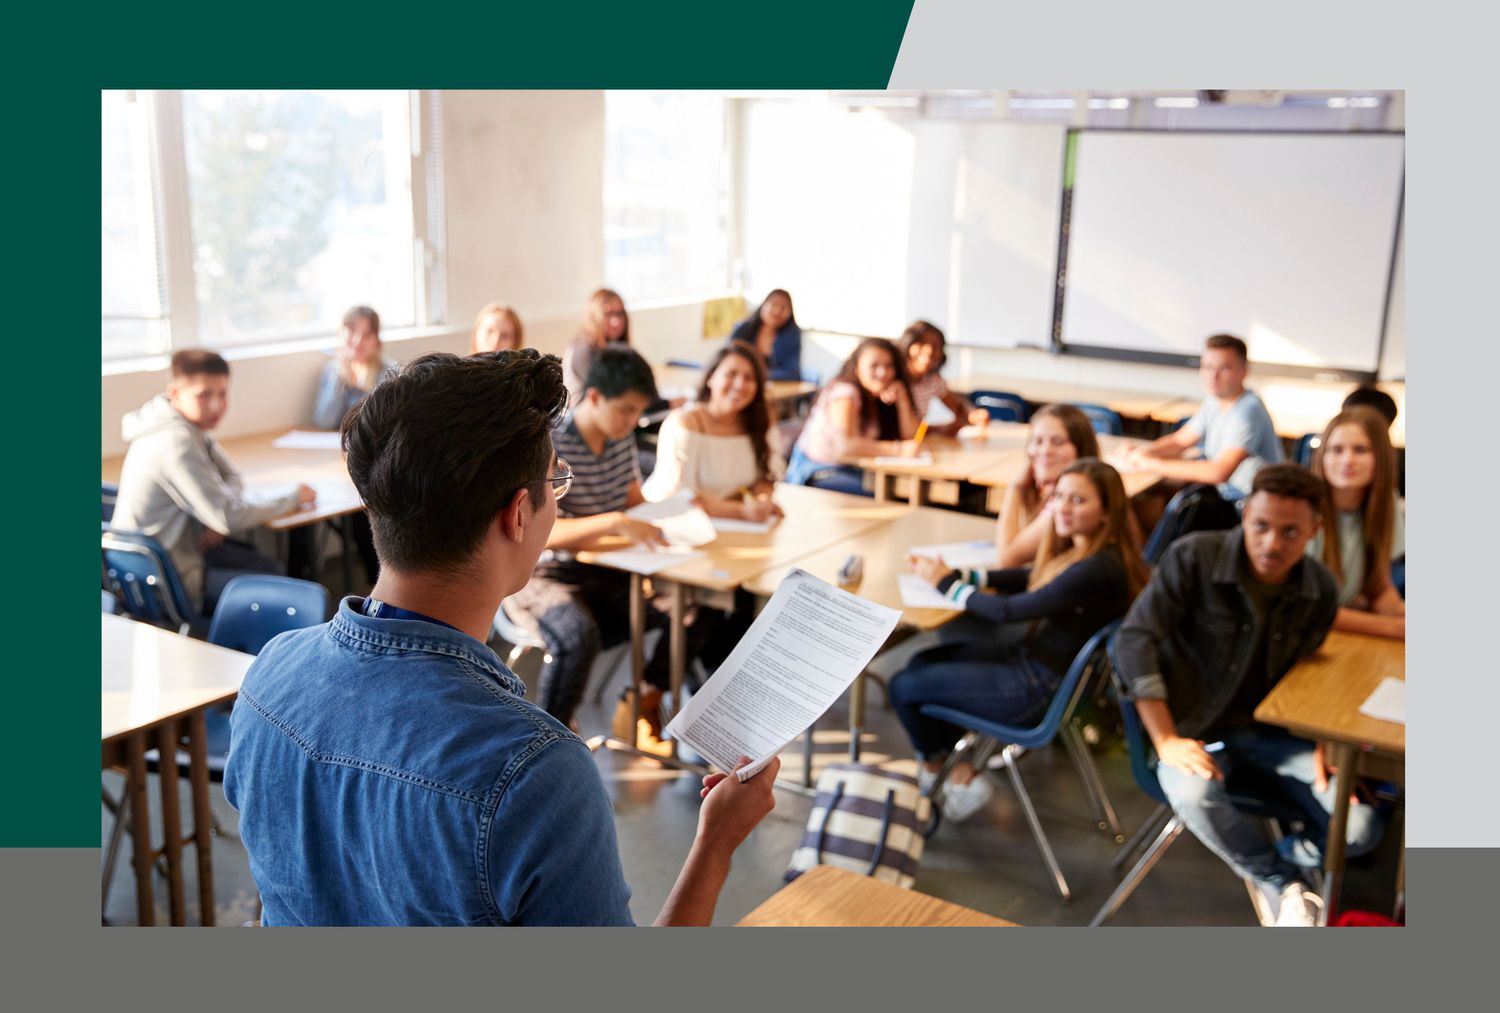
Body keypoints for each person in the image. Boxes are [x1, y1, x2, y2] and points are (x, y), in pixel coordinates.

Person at [224, 348, 778, 925]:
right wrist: (717, 844)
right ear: (518, 514)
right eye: (555, 482)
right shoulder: (536, 773)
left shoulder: (268, 674)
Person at [1113, 463, 1383, 926]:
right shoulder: (1194, 557)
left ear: (1315, 530)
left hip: (1269, 735)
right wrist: (1165, 739)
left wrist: (1326, 739)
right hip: (1189, 729)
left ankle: (1281, 859)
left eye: (1290, 532)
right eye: (1261, 526)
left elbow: (1308, 670)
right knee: (1196, 795)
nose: (1272, 543)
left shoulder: (1319, 588)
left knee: (1361, 829)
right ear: (1244, 516)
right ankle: (1282, 883)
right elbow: (1133, 641)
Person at [894, 459, 1149, 821]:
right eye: (1059, 496)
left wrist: (946, 584)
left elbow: (1006, 612)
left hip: (1034, 690)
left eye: (1078, 500)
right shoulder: (1093, 555)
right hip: (1038, 670)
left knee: (903, 686)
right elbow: (1029, 577)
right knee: (923, 663)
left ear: (1107, 513)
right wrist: (964, 575)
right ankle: (961, 771)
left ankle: (941, 772)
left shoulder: (1094, 569)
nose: (1062, 507)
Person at [505, 345, 719, 738]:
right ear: (596, 397)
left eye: (638, 411)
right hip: (545, 575)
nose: (632, 421)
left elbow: (634, 502)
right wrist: (616, 523)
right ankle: (551, 739)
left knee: (695, 610)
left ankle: (645, 700)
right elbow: (543, 532)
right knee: (576, 634)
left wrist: (677, 510)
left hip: (612, 574)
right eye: (626, 410)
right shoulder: (552, 444)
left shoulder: (619, 439)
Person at [112, 350, 316, 614]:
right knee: (278, 580)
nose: (216, 405)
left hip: (159, 562)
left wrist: (216, 512)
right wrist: (293, 498)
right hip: (166, 582)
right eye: (204, 395)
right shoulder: (177, 443)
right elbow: (227, 516)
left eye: (222, 393)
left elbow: (232, 478)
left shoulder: (186, 426)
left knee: (265, 564)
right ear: (175, 393)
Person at [1125, 333, 1284, 500]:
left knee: (1152, 502)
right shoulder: (1214, 402)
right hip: (1226, 493)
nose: (1213, 376)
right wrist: (1143, 453)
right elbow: (1180, 441)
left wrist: (1152, 463)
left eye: (1224, 368)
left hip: (1248, 503)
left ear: (1243, 372)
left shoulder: (1248, 411)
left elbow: (1218, 472)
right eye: (1207, 367)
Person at [642, 341, 785, 522]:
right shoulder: (685, 424)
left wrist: (761, 501)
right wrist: (741, 511)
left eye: (749, 378)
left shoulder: (761, 424)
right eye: (731, 374)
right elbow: (680, 497)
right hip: (673, 520)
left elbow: (765, 478)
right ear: (711, 378)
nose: (740, 384)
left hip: (734, 523)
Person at [1307, 407, 1405, 639]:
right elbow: (1306, 611)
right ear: (1322, 455)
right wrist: (1395, 628)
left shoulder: (1386, 503)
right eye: (1336, 450)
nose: (1347, 460)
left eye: (1360, 450)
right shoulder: (1303, 509)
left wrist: (1401, 613)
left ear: (1381, 457)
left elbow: (1379, 588)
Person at [785, 337, 919, 496]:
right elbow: (845, 447)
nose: (883, 373)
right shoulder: (845, 393)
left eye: (889, 366)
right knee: (888, 492)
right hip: (817, 472)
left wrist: (902, 399)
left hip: (851, 469)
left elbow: (911, 438)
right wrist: (898, 450)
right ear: (857, 367)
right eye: (874, 365)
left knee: (898, 488)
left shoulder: (878, 396)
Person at [995, 405, 1100, 567]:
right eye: (1037, 441)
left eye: (1057, 442)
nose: (1045, 450)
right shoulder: (1051, 491)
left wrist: (1014, 488)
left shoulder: (1068, 502)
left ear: (1080, 449)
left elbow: (1006, 560)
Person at [897, 321, 988, 434]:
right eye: (921, 343)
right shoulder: (893, 379)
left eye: (936, 346)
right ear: (907, 344)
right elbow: (901, 428)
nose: (929, 351)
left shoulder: (932, 380)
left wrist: (972, 414)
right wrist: (940, 430)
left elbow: (957, 404)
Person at [313, 306, 395, 431]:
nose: (358, 341)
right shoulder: (331, 370)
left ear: (376, 340)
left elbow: (376, 424)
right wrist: (341, 378)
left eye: (366, 335)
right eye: (352, 332)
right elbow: (325, 422)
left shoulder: (390, 373)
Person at [563, 288, 631, 407]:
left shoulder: (615, 348)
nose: (616, 322)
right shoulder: (584, 350)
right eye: (608, 314)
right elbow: (615, 396)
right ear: (594, 317)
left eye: (620, 314)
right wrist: (666, 404)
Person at [728, 289, 801, 382]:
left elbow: (792, 373)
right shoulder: (743, 330)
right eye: (774, 304)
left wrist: (756, 374)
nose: (777, 311)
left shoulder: (792, 335)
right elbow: (728, 360)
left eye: (783, 307)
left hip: (777, 389)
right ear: (763, 305)